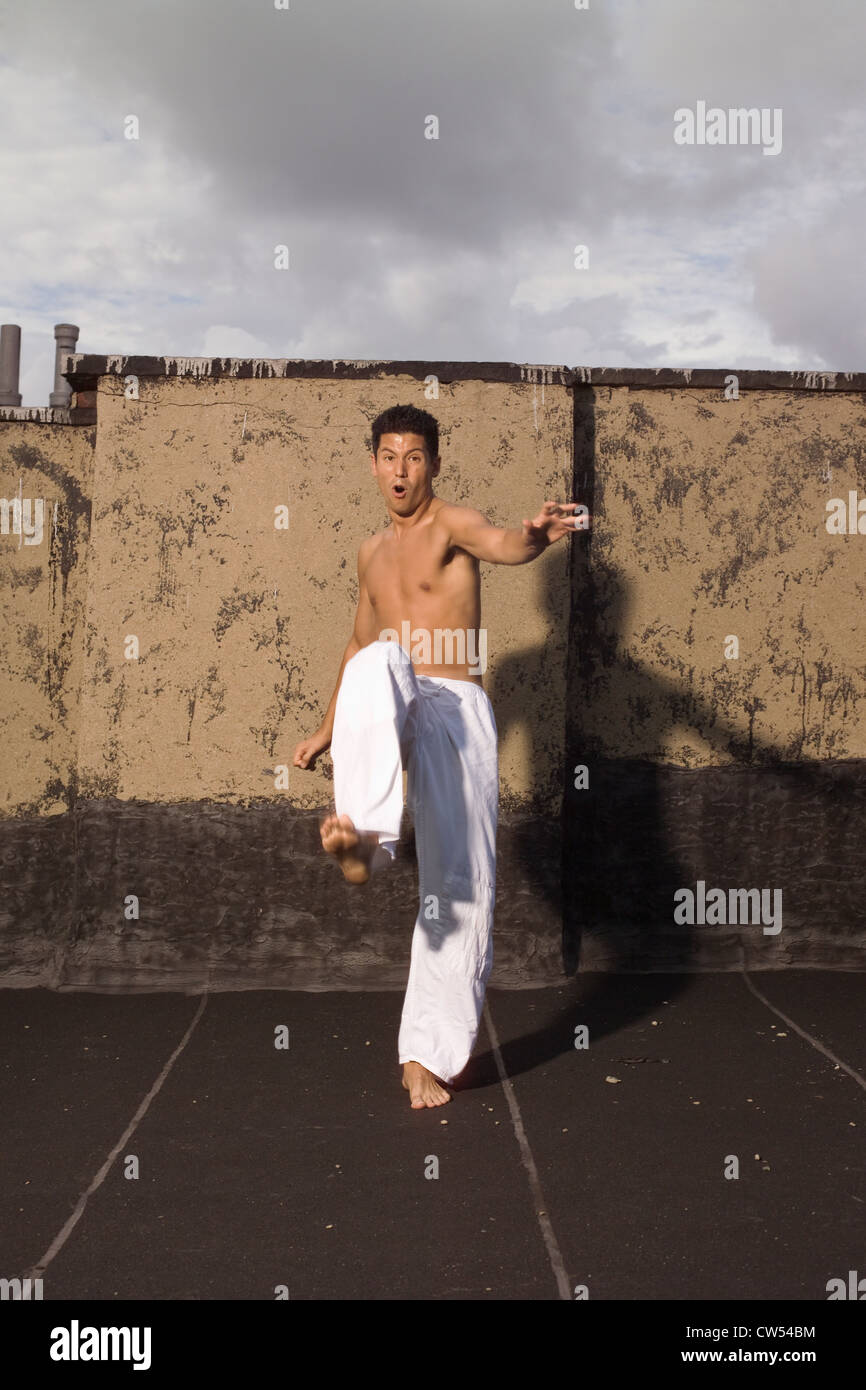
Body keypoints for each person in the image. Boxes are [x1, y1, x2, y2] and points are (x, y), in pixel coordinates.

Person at [293, 403, 586, 1108]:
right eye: (389, 455)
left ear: (433, 464)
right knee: (379, 660)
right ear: (373, 465)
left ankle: (425, 1054)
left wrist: (536, 536)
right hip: (398, 691)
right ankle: (362, 838)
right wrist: (328, 728)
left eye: (415, 456)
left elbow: (503, 544)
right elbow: (360, 646)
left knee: (458, 885)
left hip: (454, 707)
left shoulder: (452, 524)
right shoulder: (368, 553)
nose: (401, 468)